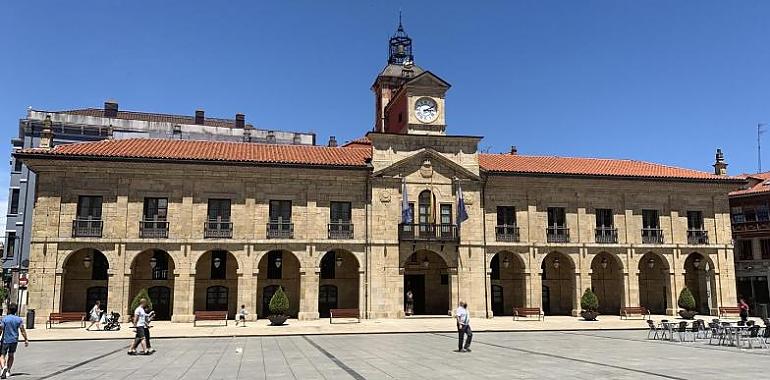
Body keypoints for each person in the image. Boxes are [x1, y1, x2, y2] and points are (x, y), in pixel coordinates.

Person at [0, 303, 29, 379]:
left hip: (5, 340)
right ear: (16, 310)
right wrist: (26, 339)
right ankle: (8, 370)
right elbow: (22, 330)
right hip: (14, 340)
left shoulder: (5, 319)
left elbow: (1, 329)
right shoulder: (18, 319)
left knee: (2, 355)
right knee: (11, 355)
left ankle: (3, 367)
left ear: (9, 310)